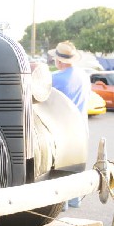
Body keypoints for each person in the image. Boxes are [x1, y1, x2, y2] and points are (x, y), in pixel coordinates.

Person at [49, 40, 90, 209]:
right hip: (81, 127)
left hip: (62, 129)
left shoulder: (55, 79)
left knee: (61, 168)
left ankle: (62, 204)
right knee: (77, 165)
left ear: (59, 61)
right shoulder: (84, 76)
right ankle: (75, 199)